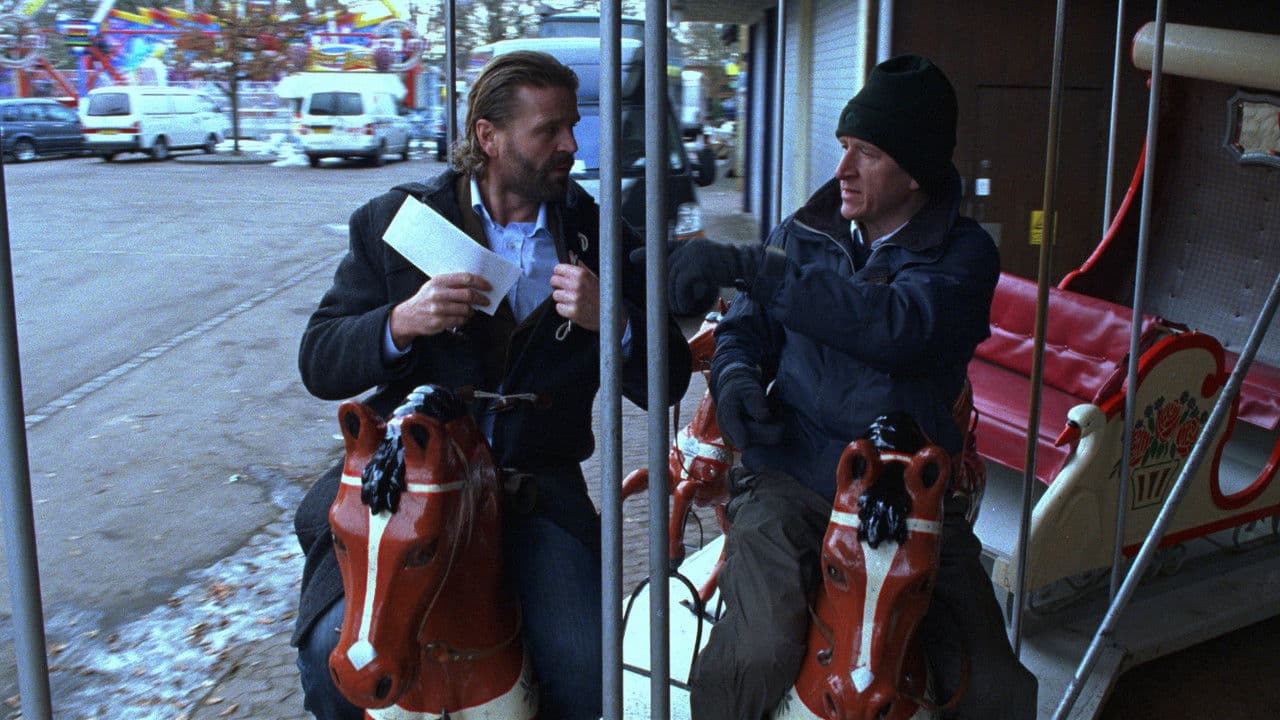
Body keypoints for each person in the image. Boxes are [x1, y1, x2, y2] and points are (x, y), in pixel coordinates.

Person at [290, 50, 692, 720]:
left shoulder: (599, 236)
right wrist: (401, 322)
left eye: (573, 126)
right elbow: (317, 361)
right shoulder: (400, 225)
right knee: (328, 658)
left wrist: (615, 322)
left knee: (588, 668)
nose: (571, 144)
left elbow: (670, 382)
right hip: (408, 482)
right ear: (488, 137)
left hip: (536, 487)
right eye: (550, 130)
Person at [674, 55, 1038, 719]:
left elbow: (895, 325)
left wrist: (753, 267)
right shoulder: (803, 233)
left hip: (908, 497)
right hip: (794, 479)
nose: (842, 169)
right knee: (752, 654)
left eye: (865, 153)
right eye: (844, 148)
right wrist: (734, 382)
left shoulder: (964, 255)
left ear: (916, 170)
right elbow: (744, 334)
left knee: (996, 688)